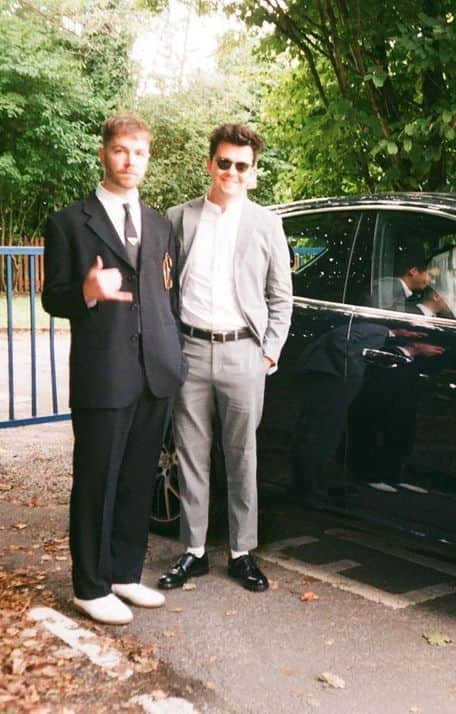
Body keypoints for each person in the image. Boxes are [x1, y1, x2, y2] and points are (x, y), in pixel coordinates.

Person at [42, 113, 187, 625]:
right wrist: (87, 291)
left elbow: (165, 296)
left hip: (156, 372)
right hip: (104, 374)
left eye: (140, 152)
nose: (131, 161)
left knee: (137, 478)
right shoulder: (67, 223)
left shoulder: (161, 223)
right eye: (122, 150)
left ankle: (126, 573)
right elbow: (52, 297)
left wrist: (173, 355)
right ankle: (90, 585)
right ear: (104, 153)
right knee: (97, 479)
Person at [158, 123, 292, 593]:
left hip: (243, 353)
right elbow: (162, 287)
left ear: (253, 172)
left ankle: (241, 552)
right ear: (209, 164)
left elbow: (281, 297)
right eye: (224, 163)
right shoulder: (179, 218)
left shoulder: (266, 223)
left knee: (241, 456)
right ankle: (193, 551)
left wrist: (268, 353)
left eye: (242, 165)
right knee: (190, 455)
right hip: (189, 351)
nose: (231, 172)